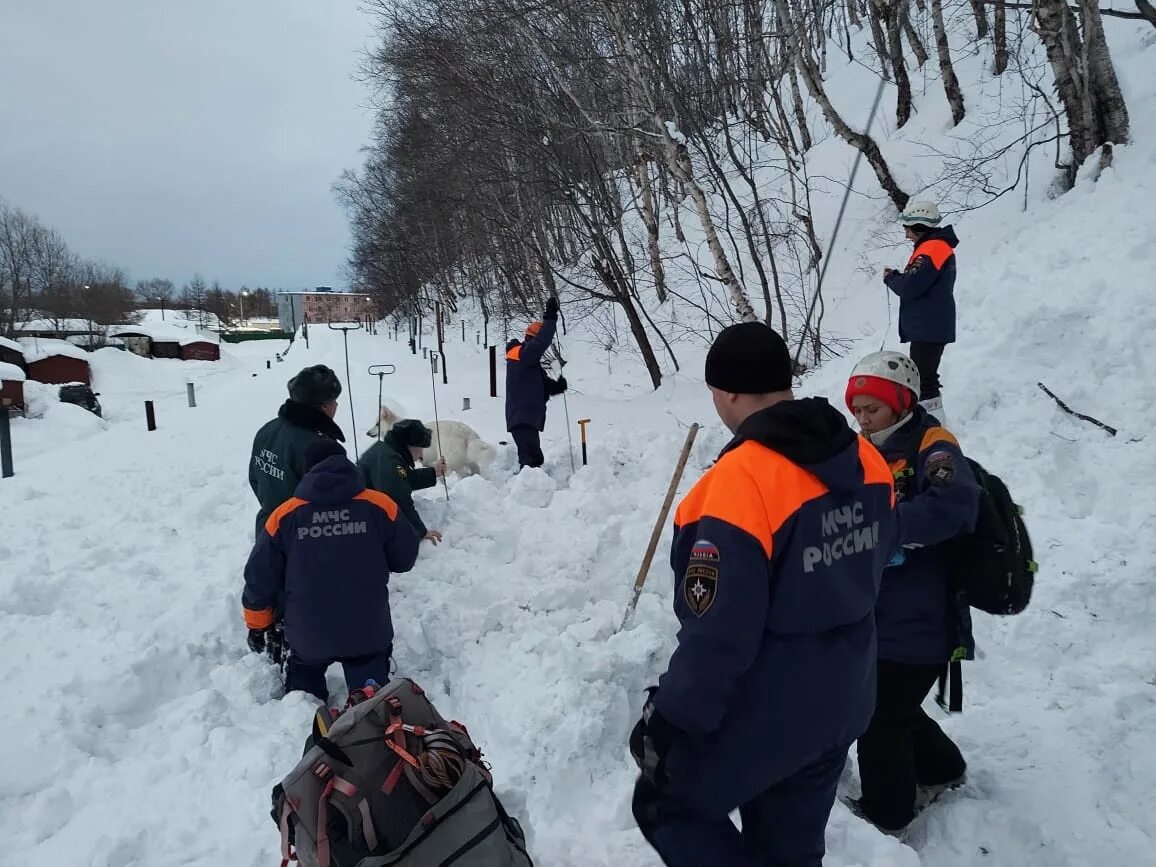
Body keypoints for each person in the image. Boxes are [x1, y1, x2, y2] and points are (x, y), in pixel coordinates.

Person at [630, 322, 896, 867]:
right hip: (846, 692)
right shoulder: (868, 459)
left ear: (726, 392)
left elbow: (719, 633)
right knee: (790, 848)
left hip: (773, 708)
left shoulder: (738, 482)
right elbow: (879, 557)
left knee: (665, 801)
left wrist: (671, 719)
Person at [844, 350, 980, 833]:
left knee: (878, 717)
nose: (861, 419)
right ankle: (942, 767)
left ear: (901, 402)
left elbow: (957, 506)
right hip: (882, 611)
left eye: (871, 409)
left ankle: (887, 814)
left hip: (924, 614)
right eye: (856, 410)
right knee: (891, 705)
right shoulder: (866, 449)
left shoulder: (932, 444)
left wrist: (883, 529)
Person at [242, 439, 420, 702]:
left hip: (307, 636)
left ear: (306, 471)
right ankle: (368, 702)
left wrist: (258, 625)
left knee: (303, 704)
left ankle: (306, 707)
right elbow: (404, 559)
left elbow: (260, 576)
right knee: (371, 706)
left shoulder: (284, 516)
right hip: (367, 631)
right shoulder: (380, 505)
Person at [883, 200, 959, 424]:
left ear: (919, 226)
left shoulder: (932, 249)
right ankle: (931, 423)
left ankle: (934, 426)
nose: (906, 235)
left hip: (929, 326)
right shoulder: (935, 248)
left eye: (907, 228)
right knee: (924, 377)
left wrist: (891, 278)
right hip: (930, 324)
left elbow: (910, 287)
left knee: (924, 380)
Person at [249, 364, 345, 537]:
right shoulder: (321, 448)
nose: (337, 405)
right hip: (305, 539)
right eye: (334, 400)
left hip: (268, 530)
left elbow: (255, 479)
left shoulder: (267, 430)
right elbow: (336, 505)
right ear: (323, 406)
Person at [358, 418, 447, 546]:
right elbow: (400, 500)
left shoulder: (387, 452)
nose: (422, 453)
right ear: (411, 446)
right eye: (421, 448)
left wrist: (434, 473)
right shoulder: (389, 463)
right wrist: (421, 531)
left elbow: (404, 479)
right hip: (367, 522)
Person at [505, 296, 567, 469]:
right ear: (531, 339)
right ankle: (527, 490)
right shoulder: (523, 354)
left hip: (525, 418)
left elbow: (541, 386)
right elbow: (542, 341)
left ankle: (531, 488)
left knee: (534, 458)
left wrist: (557, 387)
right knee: (531, 460)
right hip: (522, 417)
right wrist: (550, 316)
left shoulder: (527, 362)